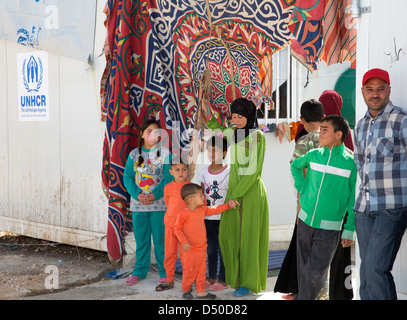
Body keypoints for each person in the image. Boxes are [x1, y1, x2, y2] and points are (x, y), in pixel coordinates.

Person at [204, 97, 269, 297]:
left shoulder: (257, 136)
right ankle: (235, 279)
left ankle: (248, 283)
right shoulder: (233, 133)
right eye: (234, 116)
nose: (237, 120)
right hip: (234, 193)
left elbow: (253, 171)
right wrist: (205, 109)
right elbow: (217, 129)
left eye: (241, 116)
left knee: (248, 239)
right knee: (229, 237)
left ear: (249, 116)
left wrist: (236, 195)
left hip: (249, 193)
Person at [354, 68, 407, 300]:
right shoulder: (360, 125)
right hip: (364, 209)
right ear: (363, 91)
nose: (375, 94)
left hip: (391, 207)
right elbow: (359, 162)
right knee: (367, 271)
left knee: (375, 268)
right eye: (370, 89)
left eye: (380, 89)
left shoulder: (401, 119)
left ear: (388, 91)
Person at [291, 115, 357, 300]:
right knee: (304, 270)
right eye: (320, 129)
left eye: (324, 129)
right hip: (305, 222)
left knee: (315, 273)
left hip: (330, 227)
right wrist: (301, 188)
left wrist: (349, 229)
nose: (319, 133)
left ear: (338, 134)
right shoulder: (313, 155)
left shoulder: (351, 163)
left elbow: (353, 200)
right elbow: (295, 166)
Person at [274, 99, 324, 299]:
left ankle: (303, 294)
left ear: (302, 120)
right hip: (329, 203)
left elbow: (300, 172)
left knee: (305, 253)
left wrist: (300, 207)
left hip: (309, 205)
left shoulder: (305, 142)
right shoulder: (331, 139)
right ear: (323, 117)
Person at [123, 119, 173, 286]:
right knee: (142, 240)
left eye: (156, 132)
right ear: (142, 134)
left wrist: (155, 195)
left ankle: (165, 273)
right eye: (149, 131)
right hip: (139, 206)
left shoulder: (165, 154)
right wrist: (137, 195)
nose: (153, 135)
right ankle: (139, 271)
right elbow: (128, 177)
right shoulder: (134, 155)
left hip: (159, 206)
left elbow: (168, 178)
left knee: (160, 240)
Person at [174, 183, 239, 299]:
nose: (203, 197)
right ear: (191, 200)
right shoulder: (183, 214)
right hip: (189, 250)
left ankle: (200, 291)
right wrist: (184, 241)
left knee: (202, 271)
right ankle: (186, 289)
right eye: (200, 196)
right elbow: (177, 229)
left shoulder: (202, 210)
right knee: (189, 270)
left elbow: (215, 209)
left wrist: (228, 205)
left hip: (202, 248)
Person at [198, 134, 230, 291]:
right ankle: (211, 278)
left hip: (224, 217)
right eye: (209, 151)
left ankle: (224, 280)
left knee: (223, 248)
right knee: (211, 248)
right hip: (209, 217)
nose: (212, 154)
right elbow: (201, 195)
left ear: (224, 153)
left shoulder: (230, 172)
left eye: (215, 151)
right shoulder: (204, 172)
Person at [156, 157, 190, 291]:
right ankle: (169, 279)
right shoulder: (168, 187)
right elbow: (168, 203)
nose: (180, 172)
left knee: (186, 255)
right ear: (171, 172)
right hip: (170, 226)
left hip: (185, 228)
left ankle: (187, 282)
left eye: (183, 169)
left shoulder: (191, 187)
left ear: (188, 171)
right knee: (170, 253)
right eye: (177, 170)